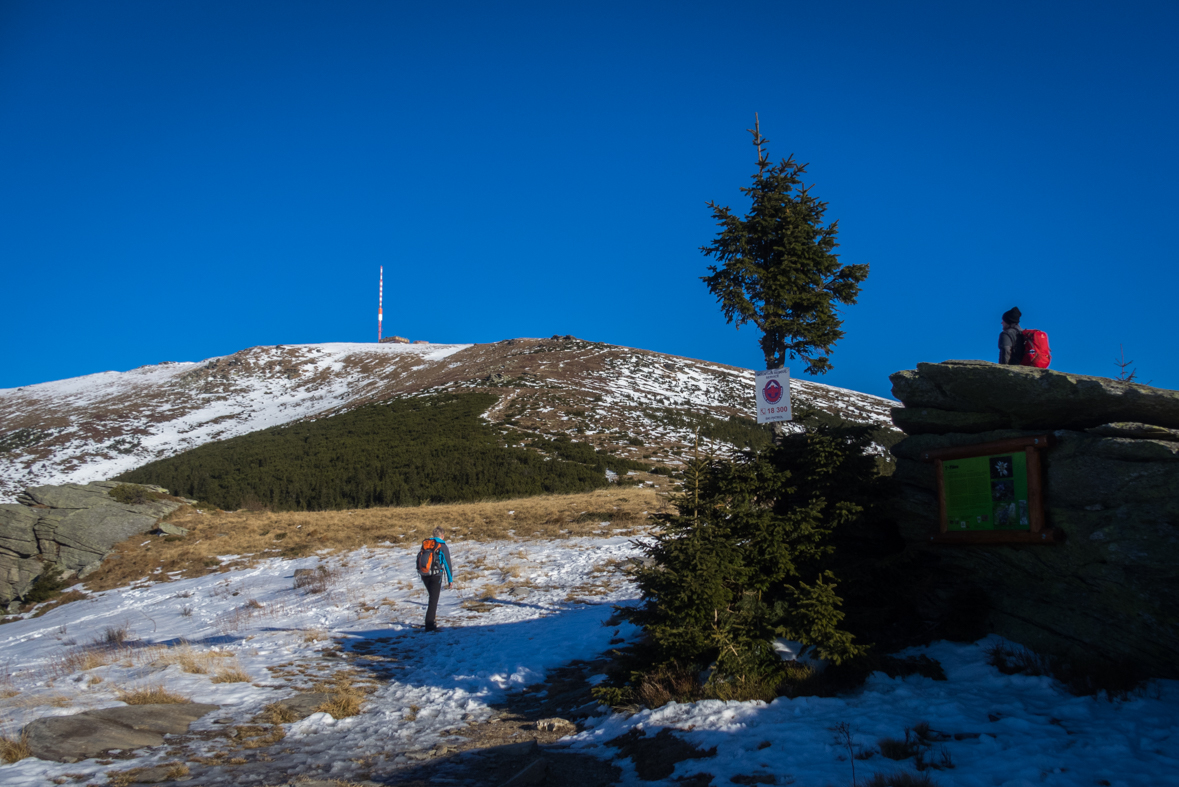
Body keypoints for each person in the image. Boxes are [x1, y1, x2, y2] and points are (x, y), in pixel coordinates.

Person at [420, 527, 453, 632]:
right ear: (442, 535)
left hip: (424, 574)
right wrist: (450, 579)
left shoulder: (426, 544)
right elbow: (447, 564)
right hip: (436, 575)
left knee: (432, 598)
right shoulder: (442, 546)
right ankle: (430, 624)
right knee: (433, 600)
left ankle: (431, 621)